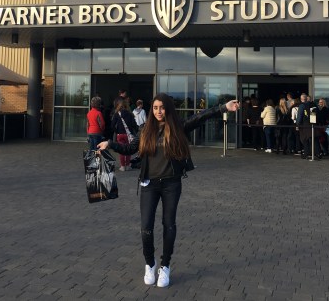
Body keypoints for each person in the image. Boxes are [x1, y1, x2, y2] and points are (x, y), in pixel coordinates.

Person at [97, 94, 240, 288]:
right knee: (146, 228)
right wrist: (110, 144)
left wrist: (223, 108)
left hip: (171, 184)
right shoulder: (145, 129)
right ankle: (150, 263)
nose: (158, 111)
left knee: (169, 225)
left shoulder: (177, 126)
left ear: (168, 109)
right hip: (149, 184)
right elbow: (130, 148)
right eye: (155, 107)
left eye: (162, 107)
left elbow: (201, 117)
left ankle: (165, 266)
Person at [111, 97, 138, 171]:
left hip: (120, 135)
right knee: (128, 150)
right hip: (128, 135)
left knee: (122, 151)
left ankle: (123, 166)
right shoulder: (130, 114)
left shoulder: (117, 114)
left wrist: (117, 131)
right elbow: (134, 125)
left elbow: (112, 125)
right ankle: (128, 165)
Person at [296, 93, 320, 159]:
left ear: (301, 99)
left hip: (305, 125)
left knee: (305, 139)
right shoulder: (313, 105)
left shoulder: (302, 106)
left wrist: (297, 124)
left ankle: (306, 153)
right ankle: (318, 153)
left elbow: (300, 116)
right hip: (313, 124)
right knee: (314, 139)